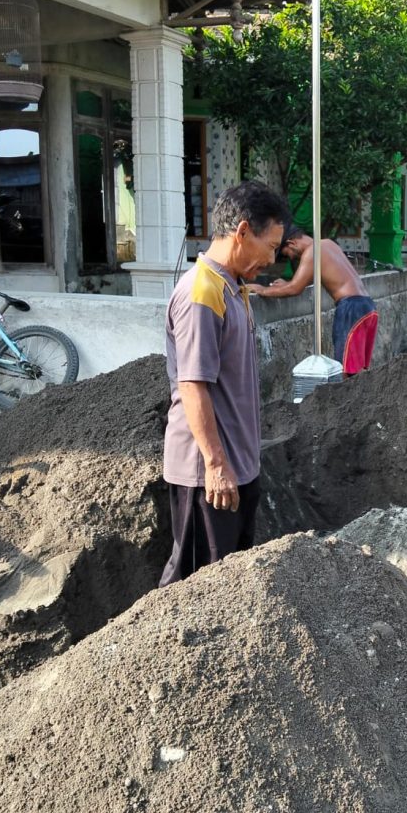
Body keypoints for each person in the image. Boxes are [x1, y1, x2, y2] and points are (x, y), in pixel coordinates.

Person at [159, 181, 289, 586]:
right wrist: (216, 465)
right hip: (208, 476)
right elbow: (193, 386)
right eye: (271, 247)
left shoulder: (233, 288)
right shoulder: (201, 292)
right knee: (195, 586)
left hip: (238, 469)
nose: (272, 259)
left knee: (230, 587)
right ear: (243, 231)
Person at [248, 227, 379, 375]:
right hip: (368, 307)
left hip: (351, 309)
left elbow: (295, 289)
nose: (291, 257)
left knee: (345, 369)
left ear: (291, 243)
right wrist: (287, 284)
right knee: (359, 369)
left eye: (287, 253)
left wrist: (262, 290)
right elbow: (309, 279)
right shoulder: (328, 244)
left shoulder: (312, 252)